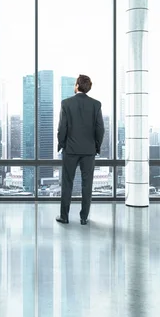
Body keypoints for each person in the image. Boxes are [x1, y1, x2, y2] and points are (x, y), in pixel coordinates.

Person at [56, 74, 105, 225]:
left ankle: (64, 216)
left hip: (70, 150)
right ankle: (84, 217)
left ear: (77, 85)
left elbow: (61, 128)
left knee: (67, 183)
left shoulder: (66, 103)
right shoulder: (96, 104)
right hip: (89, 151)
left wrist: (61, 144)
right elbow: (100, 129)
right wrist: (96, 146)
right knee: (87, 184)